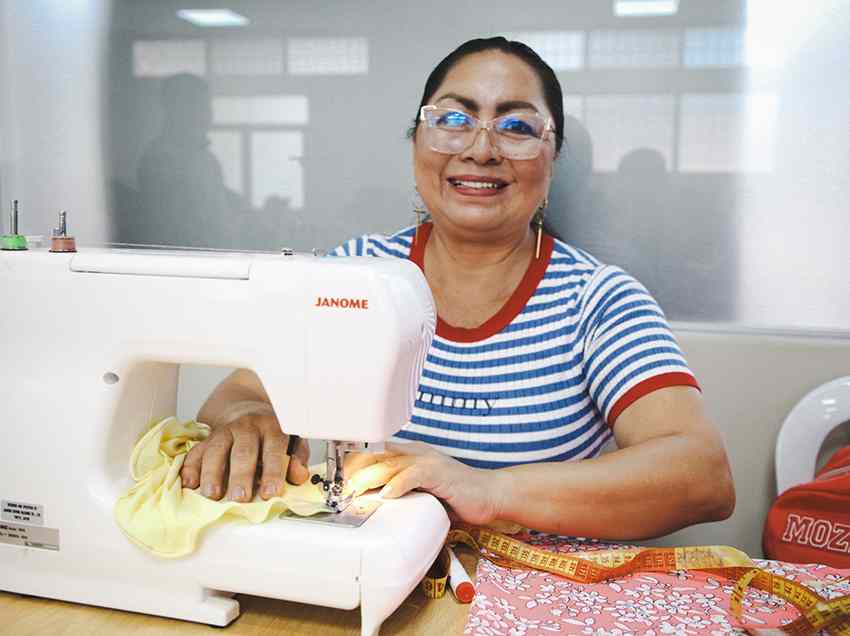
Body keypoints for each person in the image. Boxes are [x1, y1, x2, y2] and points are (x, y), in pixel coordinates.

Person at [180, 37, 735, 540]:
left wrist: (487, 491)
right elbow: (234, 396)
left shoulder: (598, 302)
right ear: (417, 140)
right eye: (452, 119)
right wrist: (249, 420)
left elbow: (701, 474)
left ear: (553, 158)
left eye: (516, 128)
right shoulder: (354, 273)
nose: (480, 149)